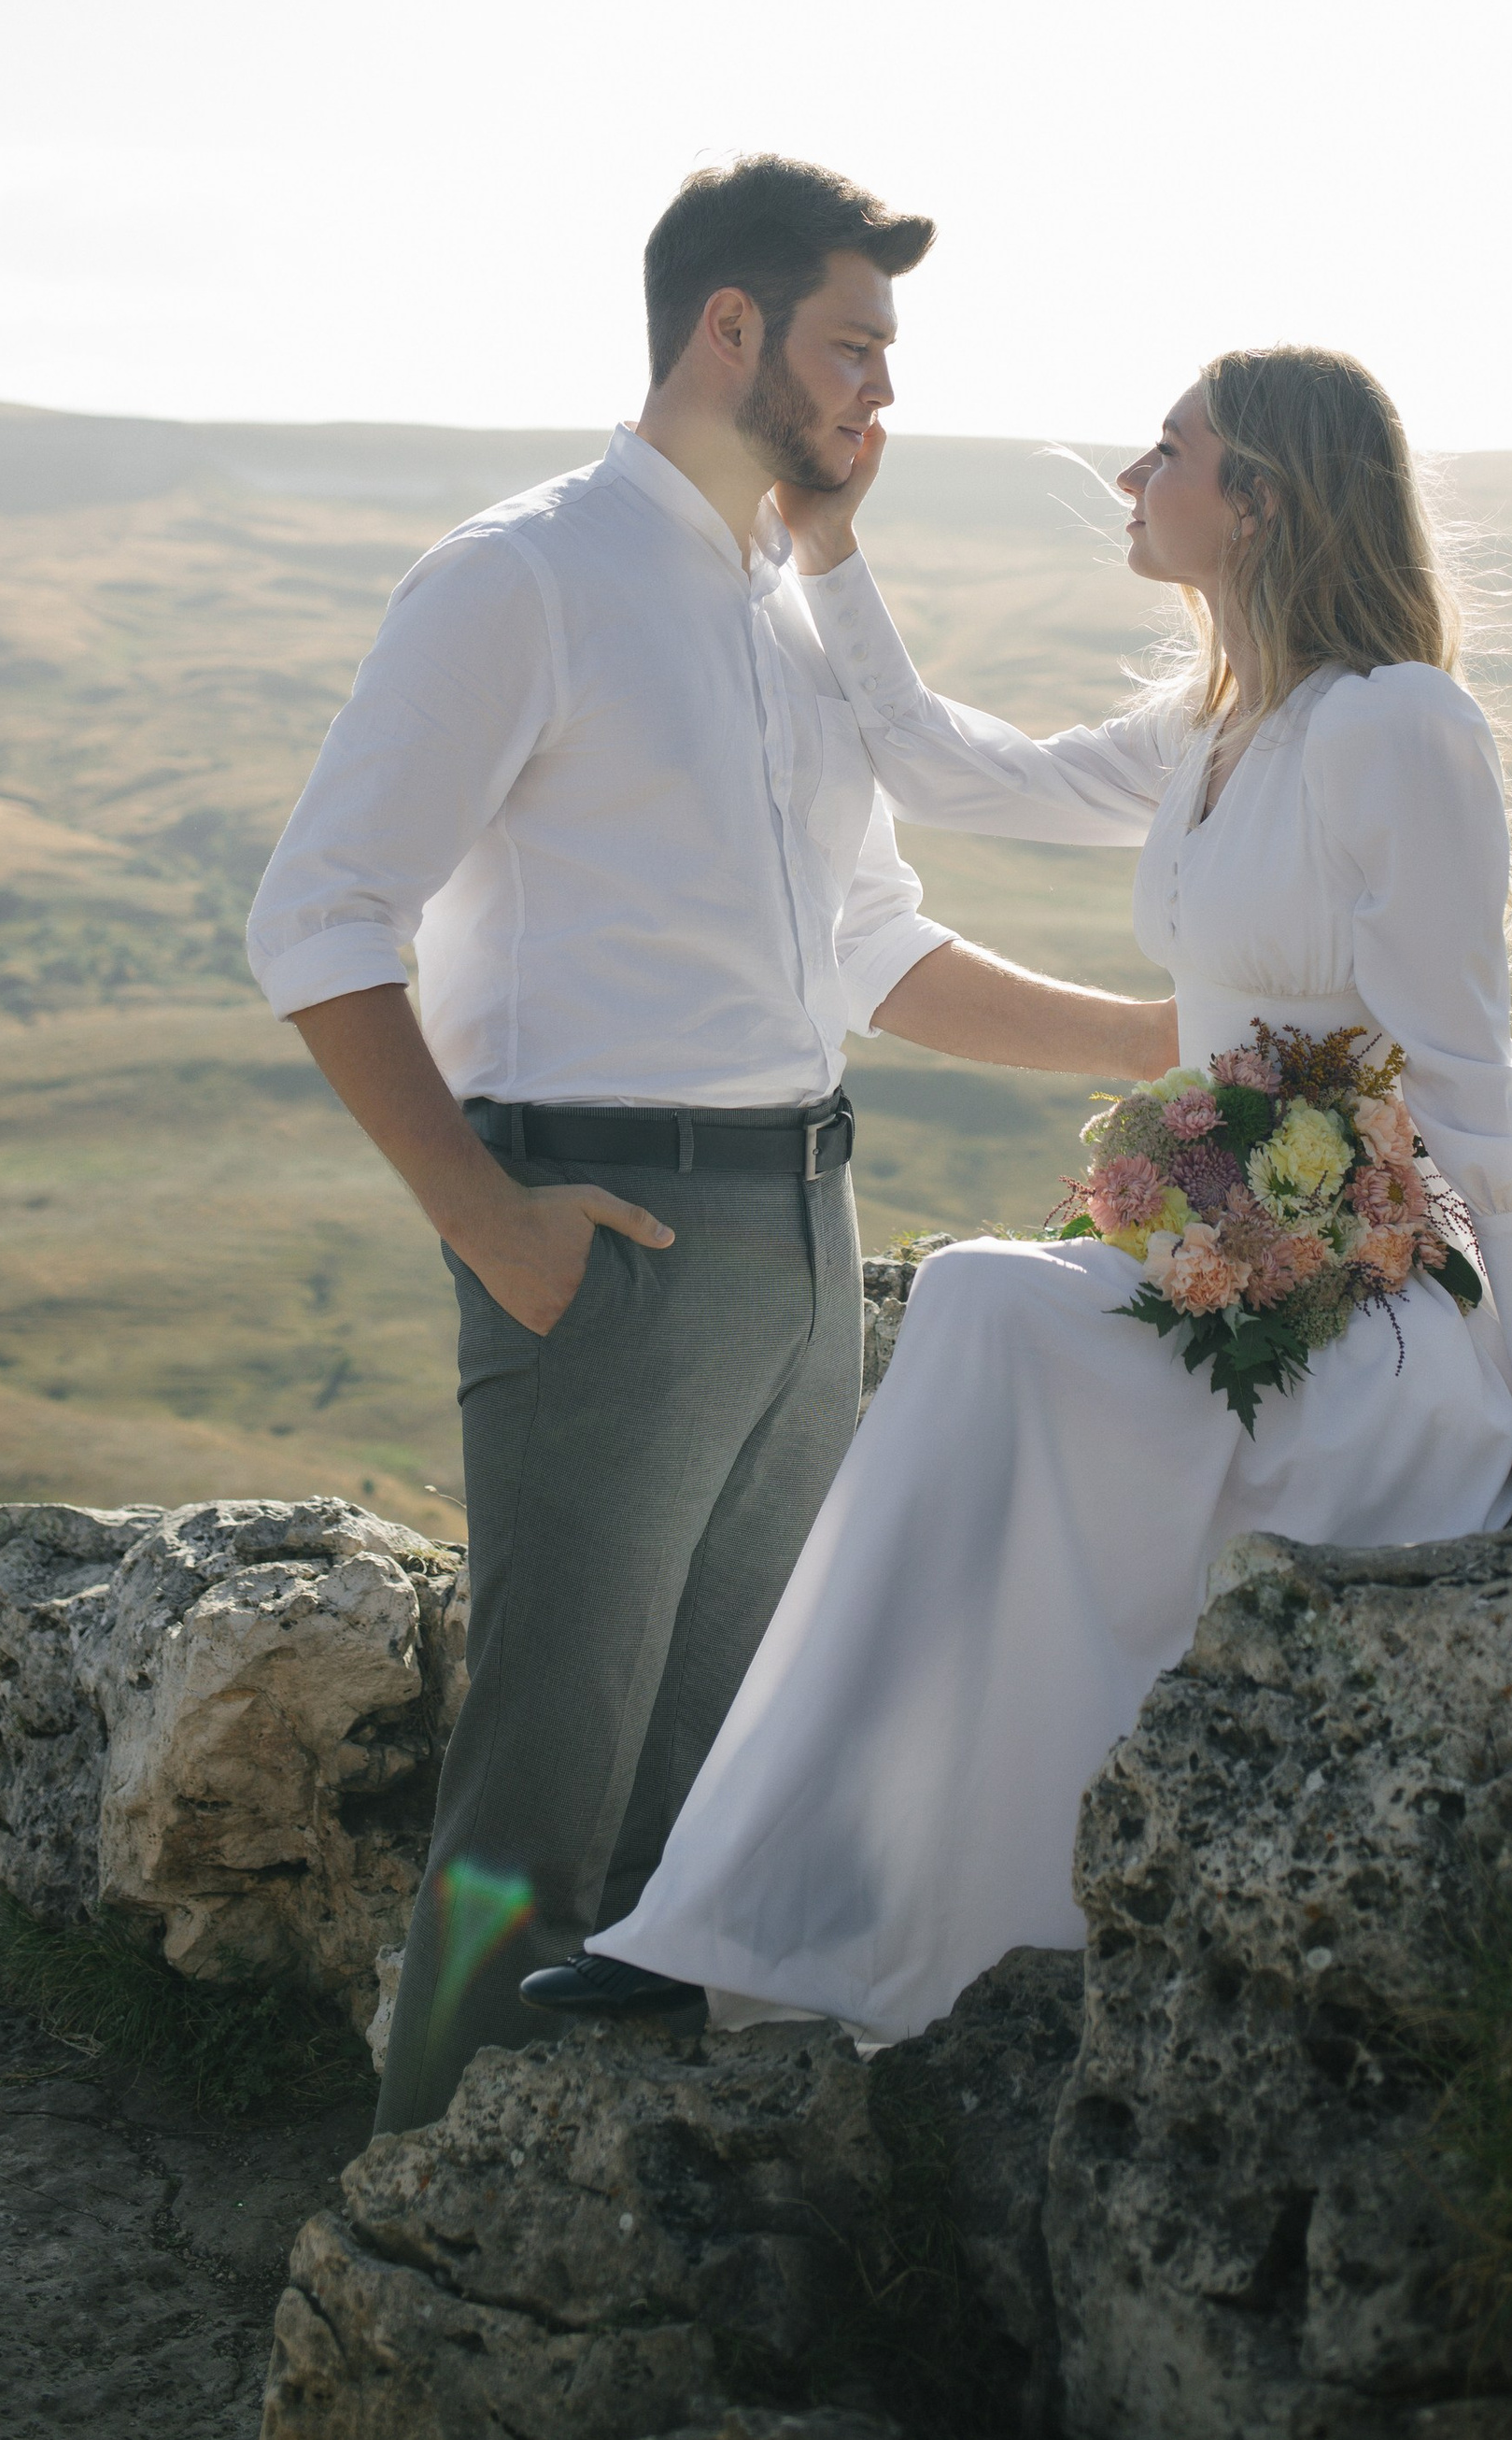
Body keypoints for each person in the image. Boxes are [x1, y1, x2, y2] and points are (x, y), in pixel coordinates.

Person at [530, 344, 1512, 2047]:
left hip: (1371, 1309)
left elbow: (1473, 1078)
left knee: (989, 1302)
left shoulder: (1397, 728)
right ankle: (758, 1911)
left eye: (1168, 453)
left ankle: (793, 1915)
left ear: (1263, 496)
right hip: (1236, 1268)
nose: (1132, 481)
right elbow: (946, 769)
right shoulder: (1223, 723)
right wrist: (831, 548)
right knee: (981, 1307)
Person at [245, 157, 1179, 2131]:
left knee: (731, 1768)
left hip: (806, 1227)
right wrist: (491, 1219)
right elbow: (317, 917)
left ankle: (641, 2223)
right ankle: (417, 2225)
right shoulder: (522, 577)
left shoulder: (788, 614)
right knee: (542, 1790)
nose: (881, 395)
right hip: (610, 1237)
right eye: (853, 345)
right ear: (728, 332)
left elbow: (869, 944)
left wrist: (1165, 1041)